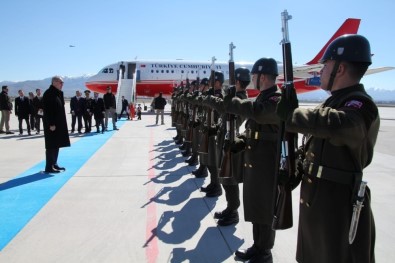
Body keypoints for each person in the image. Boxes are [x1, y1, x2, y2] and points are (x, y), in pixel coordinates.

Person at [276, 34, 378, 263]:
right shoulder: (332, 102)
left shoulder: (360, 104)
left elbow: (337, 125)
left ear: (340, 69)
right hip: (319, 201)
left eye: (324, 66)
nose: (319, 71)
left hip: (339, 207)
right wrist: (297, 168)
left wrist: (293, 114)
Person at [223, 58, 281, 262]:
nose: (252, 80)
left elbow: (259, 114)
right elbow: (254, 129)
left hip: (267, 164)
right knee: (257, 208)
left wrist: (233, 102)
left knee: (265, 211)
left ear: (262, 77)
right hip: (256, 161)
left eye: (254, 76)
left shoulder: (276, 99)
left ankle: (264, 252)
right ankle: (258, 247)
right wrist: (240, 141)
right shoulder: (263, 97)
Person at [42, 76, 70, 173]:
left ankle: (54, 163)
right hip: (52, 125)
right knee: (51, 145)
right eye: (60, 82)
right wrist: (51, 124)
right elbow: (48, 111)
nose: (62, 84)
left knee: (56, 144)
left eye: (62, 83)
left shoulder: (57, 93)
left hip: (58, 124)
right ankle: (49, 167)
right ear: (54, 82)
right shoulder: (49, 94)